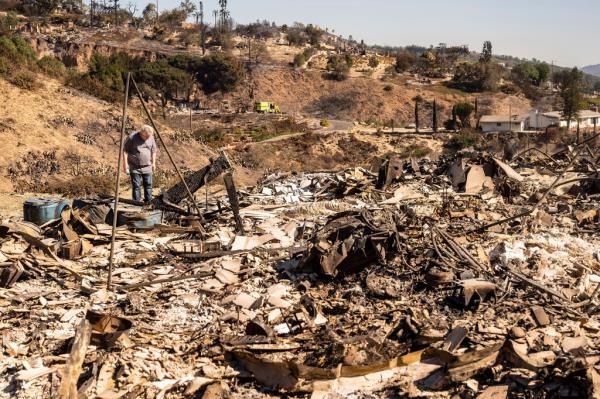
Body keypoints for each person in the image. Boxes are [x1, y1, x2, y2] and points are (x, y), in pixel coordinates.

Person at [123, 125, 157, 202]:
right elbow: (125, 151)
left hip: (147, 166)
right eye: (146, 136)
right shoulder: (132, 137)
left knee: (148, 185)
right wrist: (125, 164)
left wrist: (154, 163)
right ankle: (136, 203)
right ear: (141, 133)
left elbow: (154, 150)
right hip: (135, 167)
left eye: (149, 136)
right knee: (136, 186)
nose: (148, 138)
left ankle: (148, 202)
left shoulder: (151, 137)